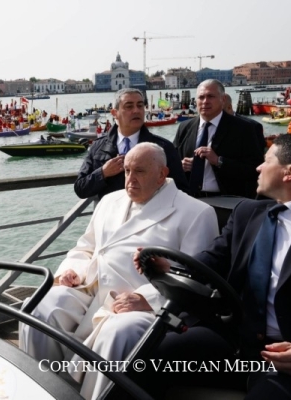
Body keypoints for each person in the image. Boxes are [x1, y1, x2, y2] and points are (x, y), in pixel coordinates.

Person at [20, 143, 219, 400]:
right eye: (126, 171)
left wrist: (147, 298)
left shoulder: (196, 213)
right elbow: (86, 247)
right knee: (43, 307)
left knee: (119, 332)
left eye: (139, 171)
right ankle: (37, 391)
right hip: (91, 288)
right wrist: (71, 271)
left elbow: (194, 276)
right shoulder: (109, 201)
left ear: (162, 174)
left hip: (144, 305)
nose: (130, 179)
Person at [133, 133, 291, 399]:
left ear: (287, 173)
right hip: (235, 341)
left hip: (283, 355)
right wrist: (167, 268)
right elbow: (209, 263)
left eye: (266, 161)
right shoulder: (247, 213)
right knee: (147, 357)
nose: (258, 167)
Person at [74, 88, 190, 200]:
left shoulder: (163, 147)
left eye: (140, 105)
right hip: (112, 217)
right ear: (115, 113)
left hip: (149, 217)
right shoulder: (98, 147)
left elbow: (181, 190)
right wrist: (103, 172)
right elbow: (80, 188)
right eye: (129, 106)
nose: (136, 110)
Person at [173, 79, 264, 198]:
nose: (205, 101)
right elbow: (171, 162)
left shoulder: (244, 128)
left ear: (223, 99)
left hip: (228, 200)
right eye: (201, 97)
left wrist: (219, 161)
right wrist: (180, 165)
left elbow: (255, 170)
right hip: (190, 199)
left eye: (211, 96)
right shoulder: (184, 128)